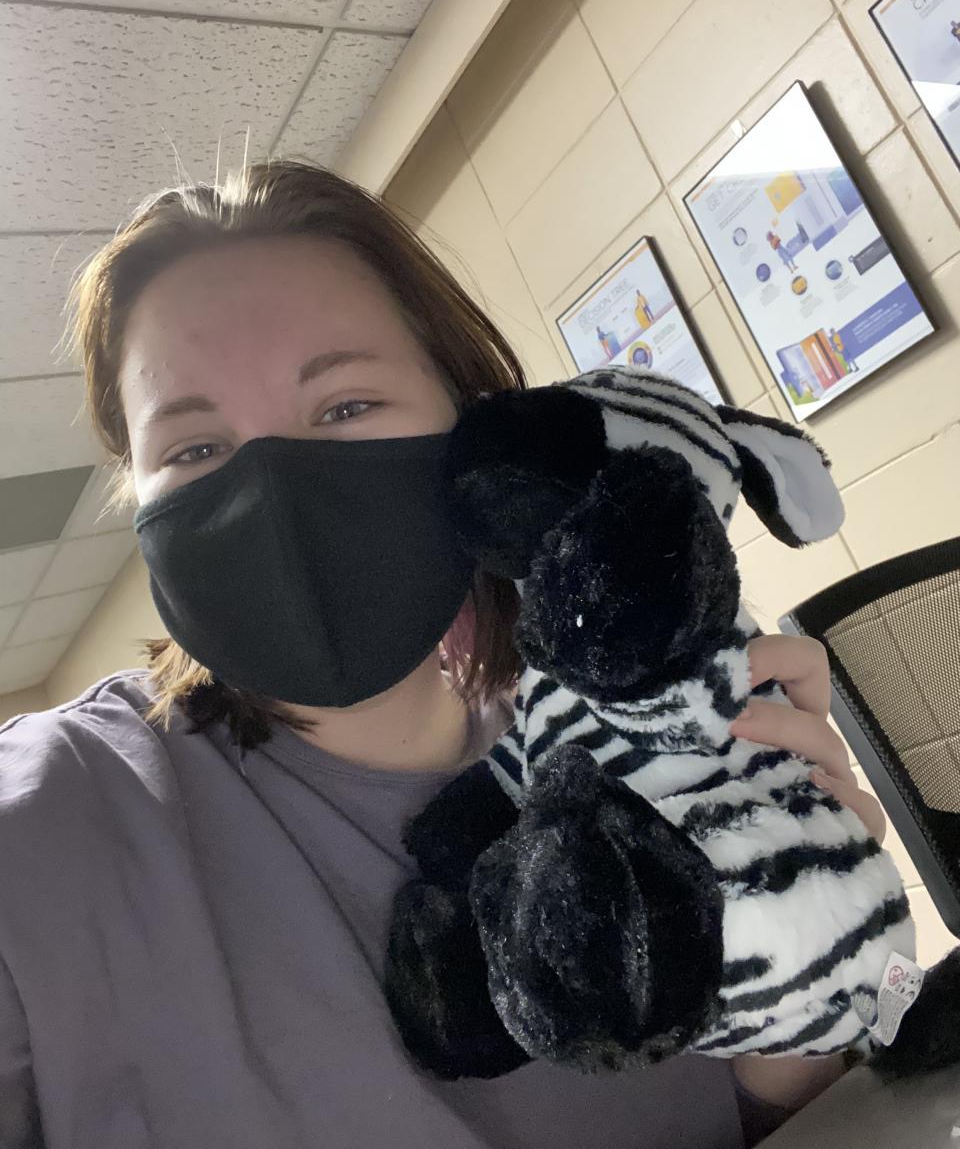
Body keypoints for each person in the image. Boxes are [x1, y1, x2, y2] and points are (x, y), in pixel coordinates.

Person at [0, 161, 886, 1149]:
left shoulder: (621, 742)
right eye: (195, 449)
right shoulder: (49, 824)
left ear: (475, 431)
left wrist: (801, 991)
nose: (275, 497)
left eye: (346, 407)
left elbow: (776, 1108)